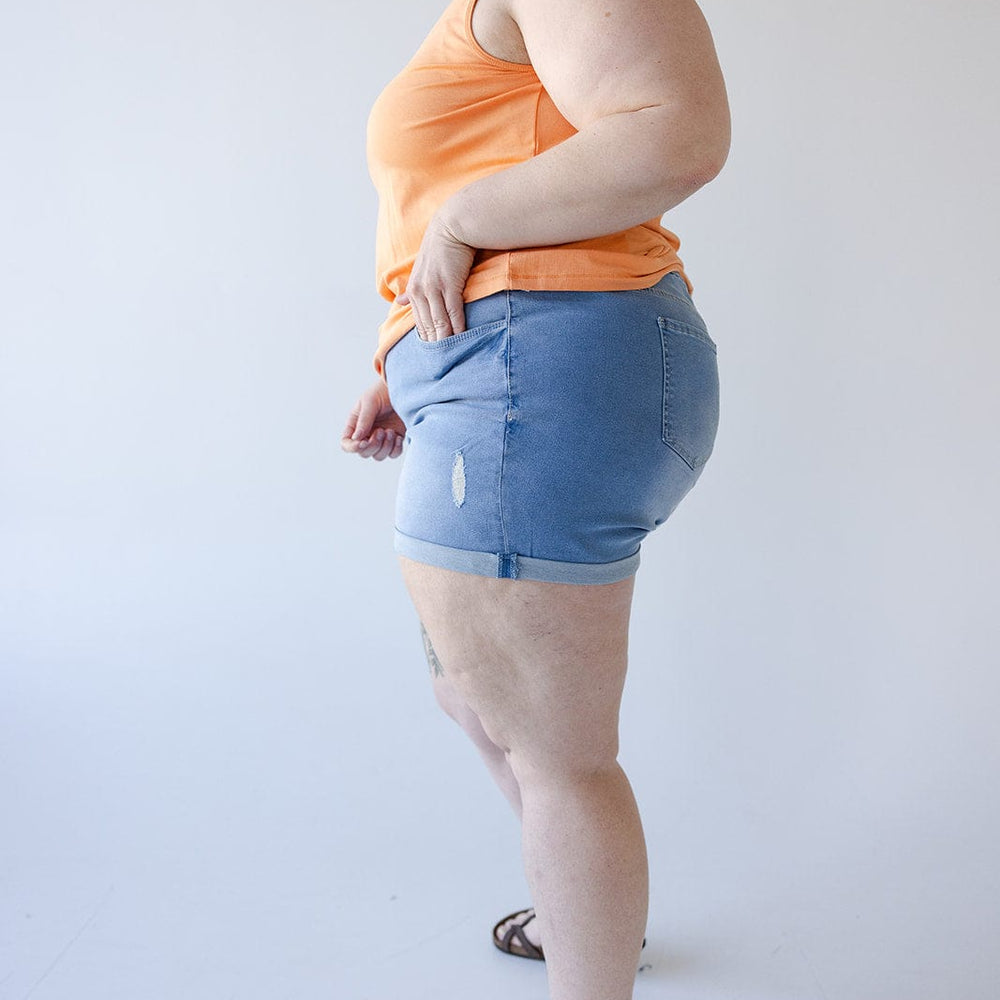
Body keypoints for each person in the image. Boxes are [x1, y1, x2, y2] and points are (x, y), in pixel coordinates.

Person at [341, 1, 730, 997]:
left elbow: (674, 128)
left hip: (534, 365)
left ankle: (591, 956)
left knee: (557, 749)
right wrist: (403, 354)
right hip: (509, 366)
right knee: (471, 691)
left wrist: (465, 223)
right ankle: (585, 912)